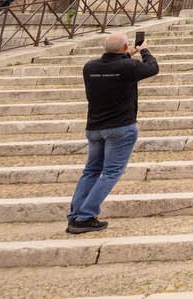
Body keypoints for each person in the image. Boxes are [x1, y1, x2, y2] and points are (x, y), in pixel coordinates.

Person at [67, 31, 159, 233]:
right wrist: (144, 50)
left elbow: (112, 68)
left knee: (91, 171)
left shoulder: (90, 67)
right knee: (111, 173)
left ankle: (75, 215)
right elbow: (153, 68)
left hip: (94, 126)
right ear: (125, 47)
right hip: (120, 127)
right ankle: (86, 215)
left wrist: (126, 55)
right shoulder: (128, 66)